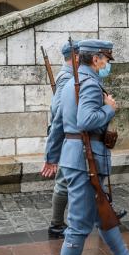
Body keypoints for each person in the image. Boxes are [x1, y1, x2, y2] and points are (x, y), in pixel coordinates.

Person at [43, 39, 129, 255]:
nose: (106, 64)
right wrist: (109, 109)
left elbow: (58, 120)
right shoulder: (90, 83)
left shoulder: (73, 81)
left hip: (75, 159)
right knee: (80, 225)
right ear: (96, 59)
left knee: (101, 214)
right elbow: (85, 120)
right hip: (86, 161)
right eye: (106, 59)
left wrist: (51, 156)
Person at [46, 41, 75, 239]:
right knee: (64, 180)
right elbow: (58, 110)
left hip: (68, 134)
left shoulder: (71, 76)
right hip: (66, 135)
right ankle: (56, 224)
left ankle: (104, 215)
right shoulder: (67, 78)